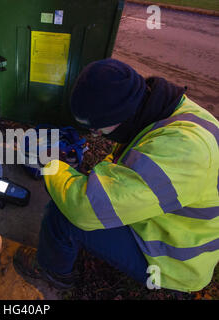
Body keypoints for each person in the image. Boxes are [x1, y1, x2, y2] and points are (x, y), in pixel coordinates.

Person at [13, 58, 219, 293]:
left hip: (175, 262)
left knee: (64, 214)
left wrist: (52, 165)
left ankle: (51, 273)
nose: (96, 134)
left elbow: (84, 208)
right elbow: (129, 162)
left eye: (98, 128)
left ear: (121, 117)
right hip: (166, 223)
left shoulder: (181, 151)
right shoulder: (166, 112)